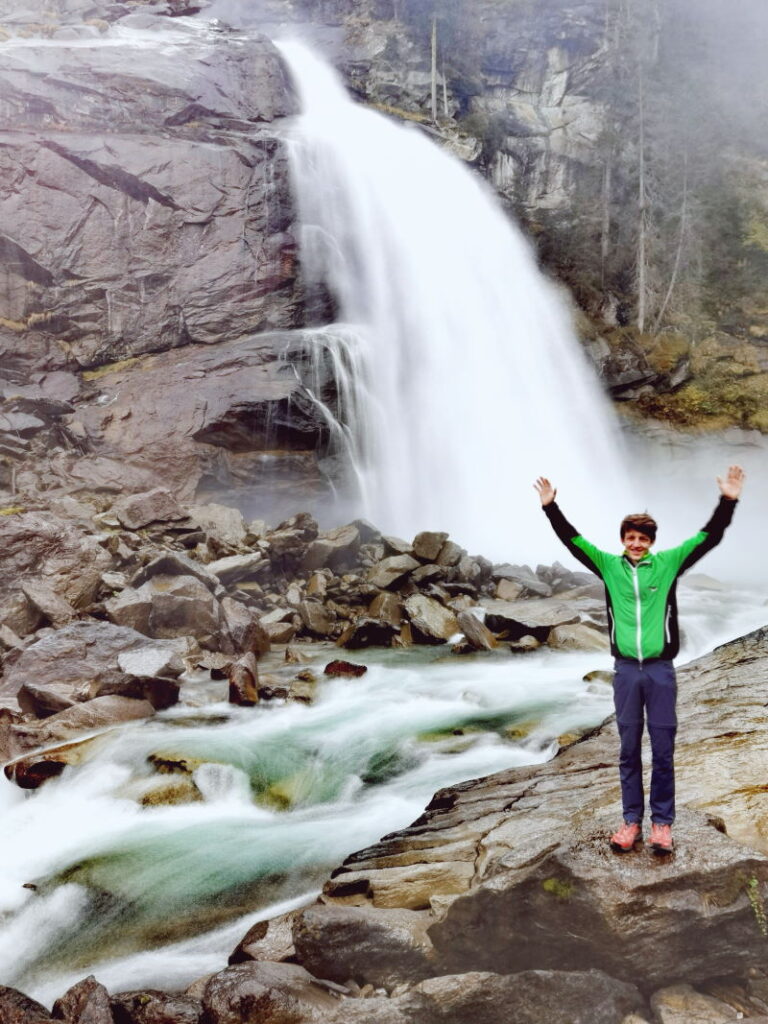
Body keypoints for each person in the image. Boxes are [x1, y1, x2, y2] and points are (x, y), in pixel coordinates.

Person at [534, 466, 745, 854]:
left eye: (642, 539)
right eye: (630, 538)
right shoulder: (608, 566)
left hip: (661, 672)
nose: (636, 543)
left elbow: (708, 537)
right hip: (626, 671)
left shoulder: (667, 564)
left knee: (662, 750)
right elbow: (572, 541)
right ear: (622, 540)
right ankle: (631, 822)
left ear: (650, 542)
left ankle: (661, 825)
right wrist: (551, 507)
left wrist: (728, 500)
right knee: (628, 750)